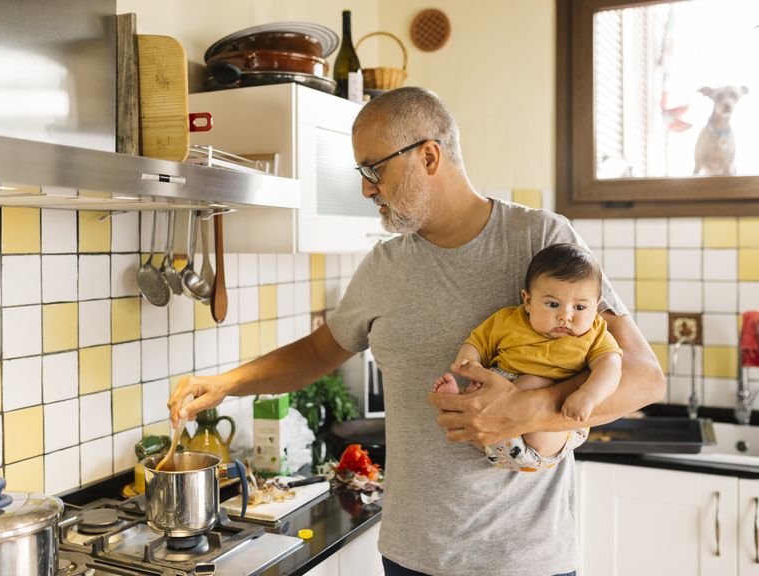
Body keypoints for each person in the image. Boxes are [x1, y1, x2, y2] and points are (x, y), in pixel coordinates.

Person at [168, 87, 666, 576]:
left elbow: (644, 378)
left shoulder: (540, 238)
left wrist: (524, 409)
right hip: (410, 556)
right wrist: (227, 383)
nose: (366, 188)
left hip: (523, 562)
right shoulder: (383, 264)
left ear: (429, 156)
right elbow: (321, 348)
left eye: (374, 169)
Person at [433, 243, 623, 472]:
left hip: (547, 436)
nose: (565, 316)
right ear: (528, 301)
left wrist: (588, 395)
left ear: (597, 305)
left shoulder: (595, 333)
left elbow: (611, 365)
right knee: (477, 395)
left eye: (580, 307)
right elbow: (477, 342)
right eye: (553, 304)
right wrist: (469, 362)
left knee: (535, 383)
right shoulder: (508, 320)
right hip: (492, 433)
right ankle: (458, 401)